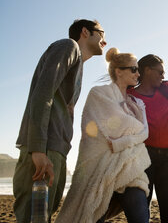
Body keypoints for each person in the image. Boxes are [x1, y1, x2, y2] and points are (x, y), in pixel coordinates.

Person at [13, 19, 107, 222]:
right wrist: (38, 149)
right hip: (44, 147)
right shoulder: (68, 46)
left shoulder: (79, 65)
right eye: (102, 34)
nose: (104, 41)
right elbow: (42, 94)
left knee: (43, 215)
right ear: (85, 31)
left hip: (57, 149)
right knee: (33, 217)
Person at [55, 48, 151, 223]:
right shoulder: (99, 94)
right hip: (100, 167)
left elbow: (145, 133)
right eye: (134, 69)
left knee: (140, 218)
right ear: (118, 71)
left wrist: (123, 142)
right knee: (91, 214)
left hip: (129, 168)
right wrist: (133, 130)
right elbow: (120, 127)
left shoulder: (137, 103)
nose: (138, 74)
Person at [127, 54, 168, 222]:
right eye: (160, 72)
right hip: (142, 157)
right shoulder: (129, 94)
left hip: (167, 158)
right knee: (142, 211)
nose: (163, 76)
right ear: (147, 70)